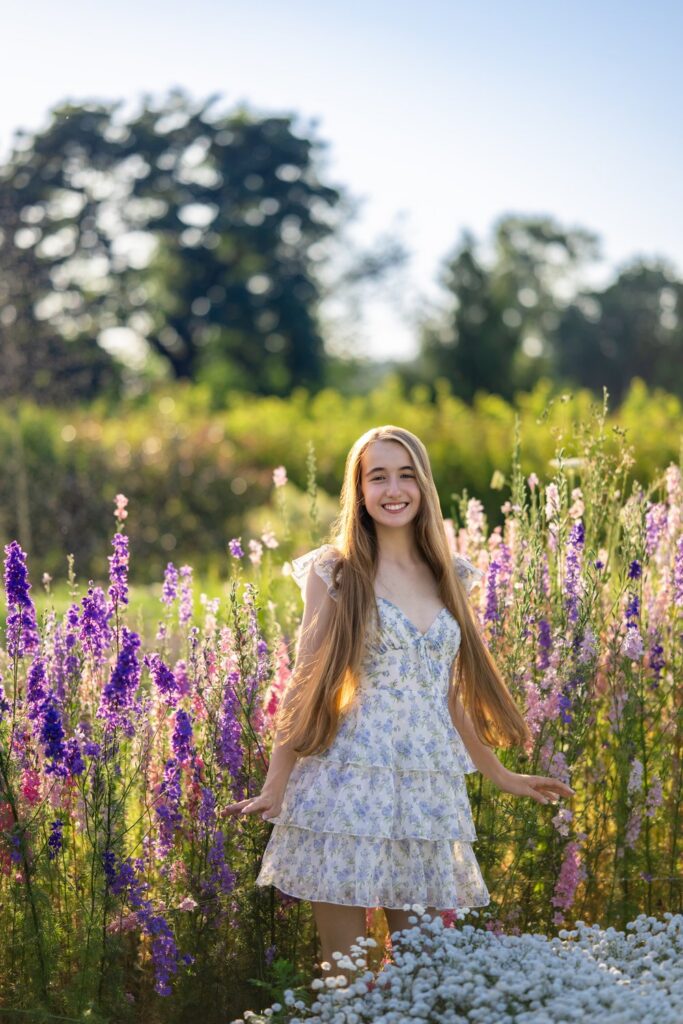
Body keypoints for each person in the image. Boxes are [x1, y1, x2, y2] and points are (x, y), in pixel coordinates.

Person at [225, 425, 574, 978]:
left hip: (426, 791)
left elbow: (446, 697)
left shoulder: (450, 574)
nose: (394, 489)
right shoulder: (337, 570)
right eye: (378, 476)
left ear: (423, 485)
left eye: (406, 475)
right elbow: (305, 682)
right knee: (349, 973)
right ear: (359, 491)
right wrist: (275, 784)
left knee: (424, 968)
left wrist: (502, 774)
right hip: (347, 782)